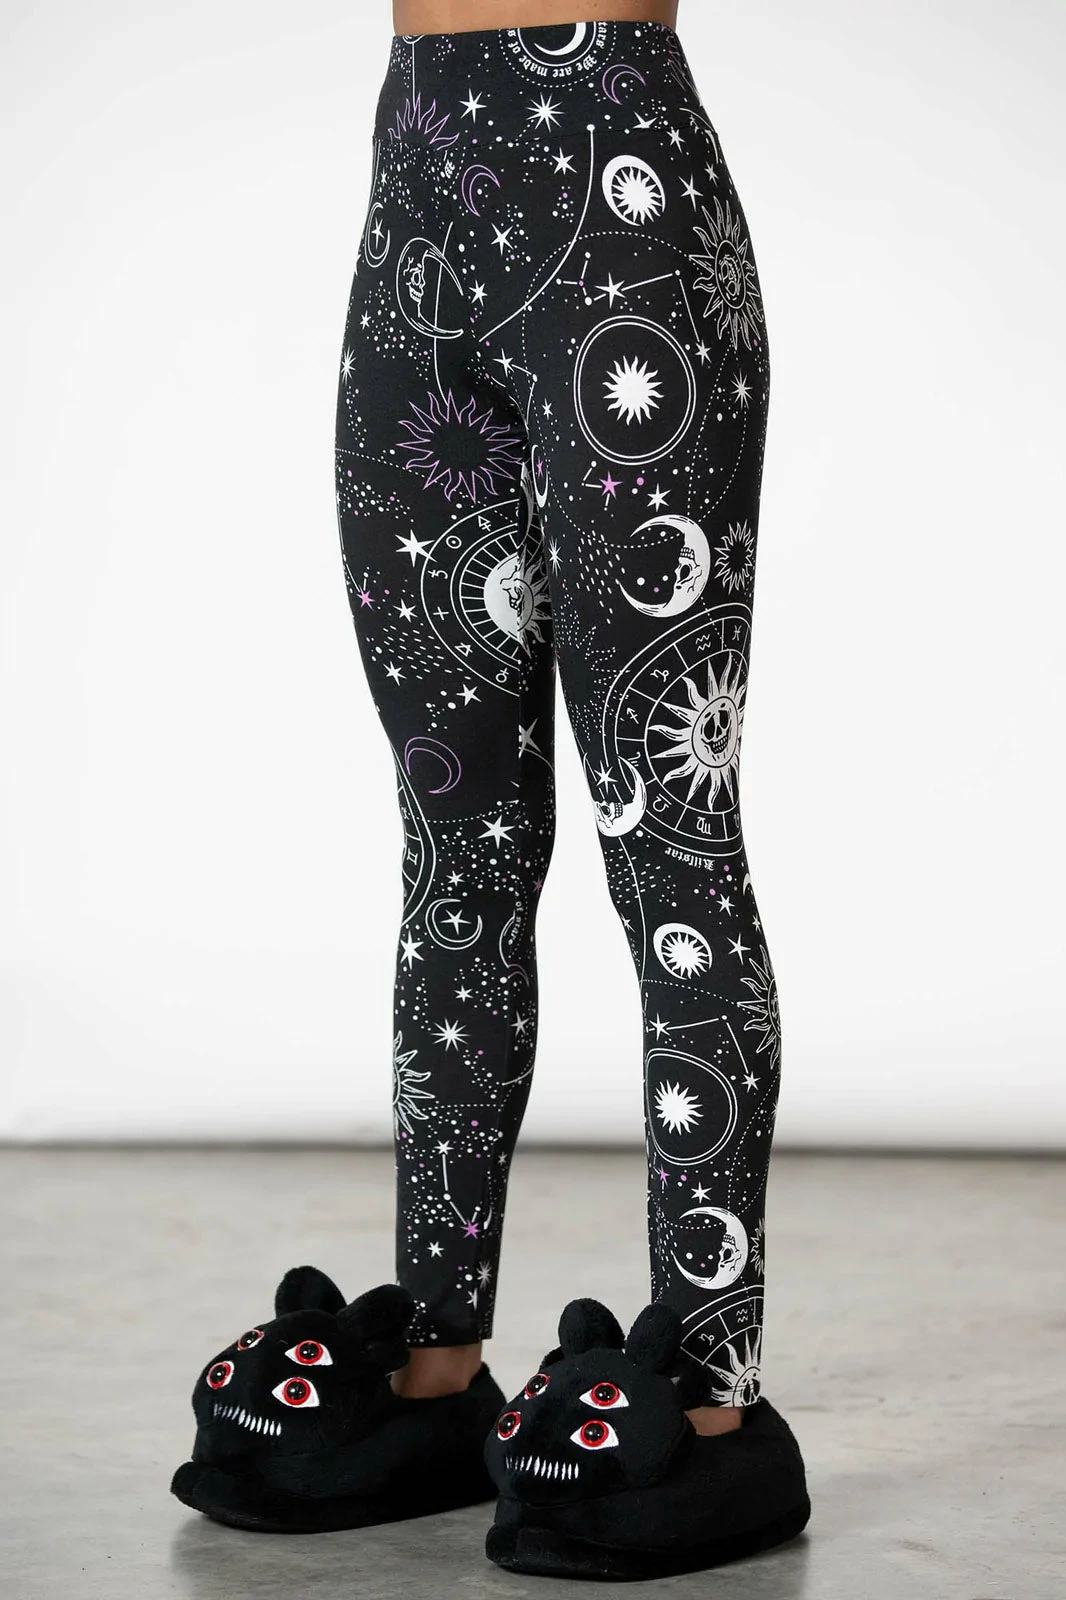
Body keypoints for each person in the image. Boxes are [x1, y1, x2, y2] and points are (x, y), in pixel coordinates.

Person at [171, 0, 811, 1577]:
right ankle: (436, 1360)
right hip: (414, 211)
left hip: (622, 224)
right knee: (453, 846)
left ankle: (708, 1392)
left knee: (667, 847)